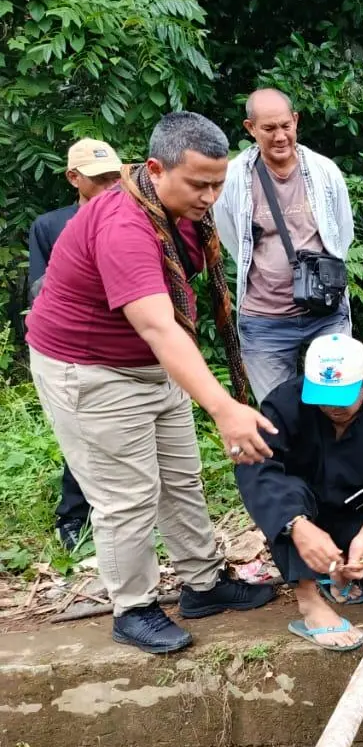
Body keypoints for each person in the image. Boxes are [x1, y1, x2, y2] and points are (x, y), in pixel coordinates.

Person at [26, 111, 277, 654]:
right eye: (199, 184)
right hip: (89, 367)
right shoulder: (125, 224)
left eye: (218, 183)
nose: (211, 196)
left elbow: (167, 331)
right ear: (157, 169)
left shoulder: (178, 207)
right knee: (127, 496)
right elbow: (159, 325)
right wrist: (224, 407)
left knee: (181, 477)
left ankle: (203, 585)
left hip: (151, 363)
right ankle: (133, 607)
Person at [235, 334, 363, 651]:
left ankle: (339, 572)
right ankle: (309, 601)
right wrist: (298, 525)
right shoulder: (283, 404)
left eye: (342, 397)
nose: (332, 407)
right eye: (322, 397)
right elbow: (255, 469)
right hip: (301, 511)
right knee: (285, 492)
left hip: (356, 511)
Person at [214, 88, 355, 404]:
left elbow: (342, 233)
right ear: (250, 128)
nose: (280, 136)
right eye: (268, 128)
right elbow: (230, 235)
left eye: (285, 126)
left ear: (295, 121)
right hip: (264, 319)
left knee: (336, 403)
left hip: (326, 311)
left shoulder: (323, 171)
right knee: (279, 412)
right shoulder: (234, 177)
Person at [27, 138, 123, 551]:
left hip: (123, 342)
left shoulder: (131, 216)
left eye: (114, 178)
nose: (109, 187)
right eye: (99, 180)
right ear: (74, 178)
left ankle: (125, 523)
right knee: (82, 438)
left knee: (125, 438)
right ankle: (73, 519)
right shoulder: (52, 225)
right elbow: (38, 288)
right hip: (74, 347)